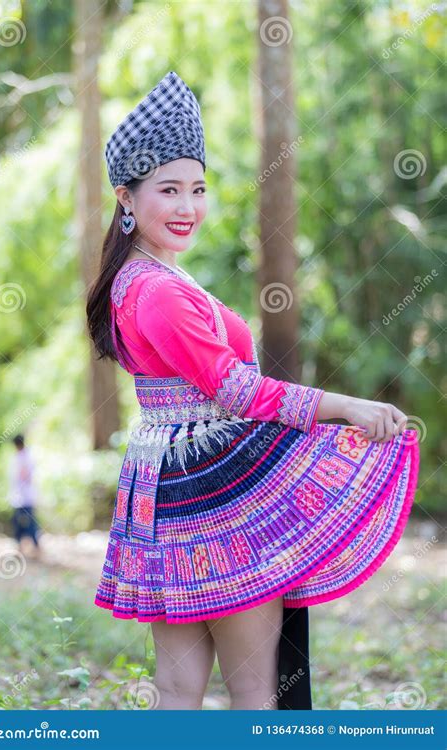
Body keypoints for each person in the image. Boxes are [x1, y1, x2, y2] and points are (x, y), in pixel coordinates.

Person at [87, 71, 420, 711]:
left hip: (173, 489)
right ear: (126, 197)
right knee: (254, 693)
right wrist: (346, 407)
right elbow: (238, 393)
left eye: (198, 189)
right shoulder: (155, 290)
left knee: (178, 690)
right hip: (216, 495)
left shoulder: (145, 278)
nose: (188, 207)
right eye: (169, 191)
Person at [8, 434, 41, 556]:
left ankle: (36, 547)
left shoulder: (26, 457)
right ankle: (20, 547)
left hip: (26, 497)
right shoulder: (18, 456)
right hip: (18, 497)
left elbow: (26, 475)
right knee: (18, 522)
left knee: (30, 522)